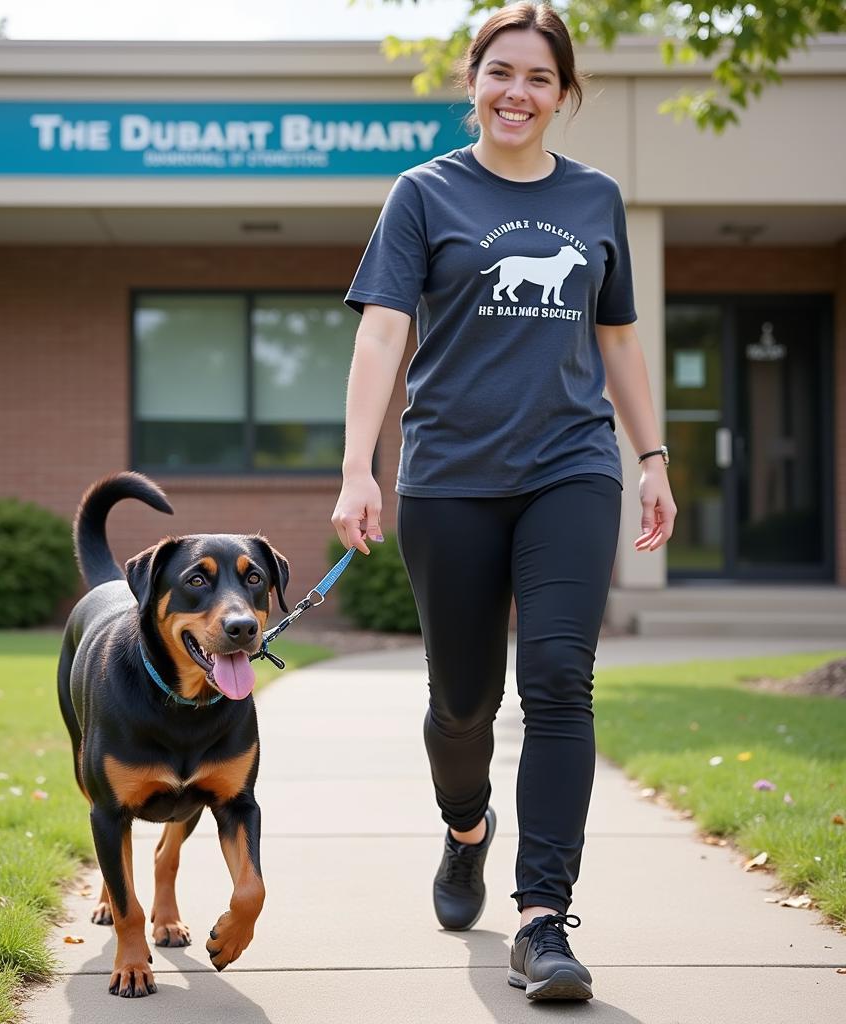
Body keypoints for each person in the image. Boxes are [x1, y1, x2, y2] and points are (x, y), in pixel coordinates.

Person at [331, 1, 677, 1003]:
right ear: (471, 81)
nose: (516, 92)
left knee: (561, 678)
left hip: (570, 464)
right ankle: (464, 829)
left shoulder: (594, 197)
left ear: (563, 94)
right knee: (461, 701)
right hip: (449, 477)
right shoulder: (423, 193)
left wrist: (649, 452)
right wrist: (360, 466)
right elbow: (382, 333)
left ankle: (541, 918)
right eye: (500, 72)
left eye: (538, 77)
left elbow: (615, 337)